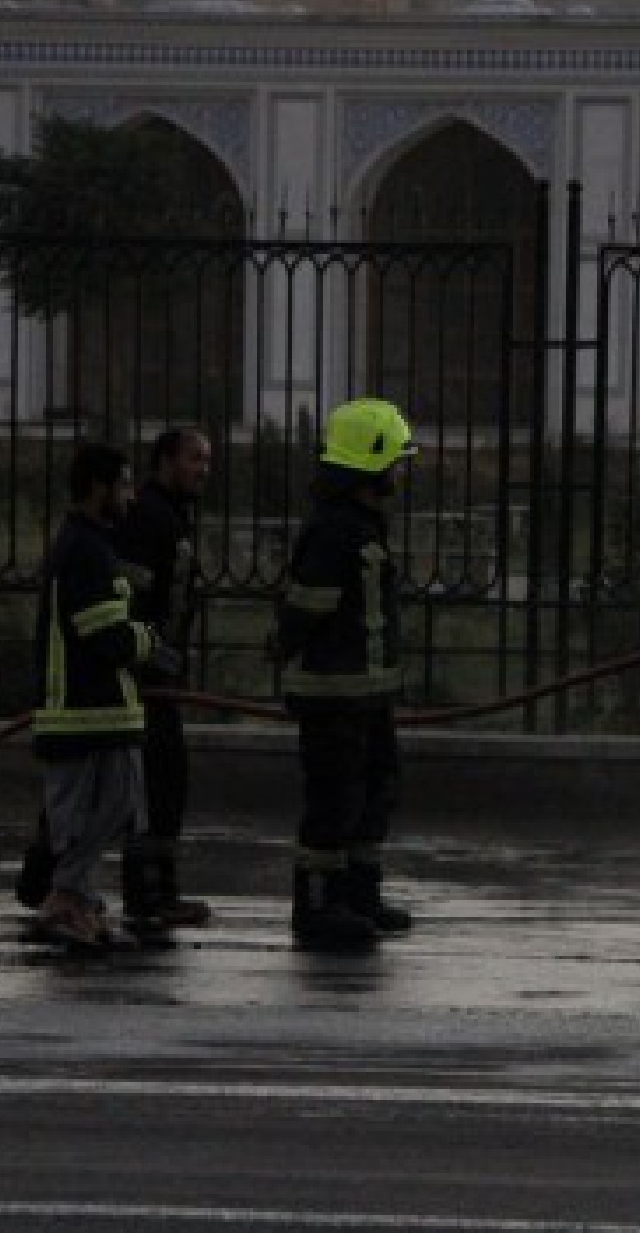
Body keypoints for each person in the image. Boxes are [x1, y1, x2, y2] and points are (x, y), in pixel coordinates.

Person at [271, 398, 417, 952]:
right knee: (334, 800)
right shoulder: (334, 531)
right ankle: (316, 905)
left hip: (367, 694)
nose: (400, 472)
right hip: (332, 695)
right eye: (395, 461)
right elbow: (306, 610)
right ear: (371, 463)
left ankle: (358, 894)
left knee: (375, 792)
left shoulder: (360, 525)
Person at [28, 443, 178, 949]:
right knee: (83, 815)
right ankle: (66, 902)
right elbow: (106, 635)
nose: (131, 497)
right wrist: (150, 643)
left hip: (103, 711)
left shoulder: (92, 545)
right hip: (81, 710)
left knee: (115, 807)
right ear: (99, 487)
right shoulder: (86, 551)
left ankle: (77, 899)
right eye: (125, 485)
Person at [111, 426, 215, 930]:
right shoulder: (149, 518)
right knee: (153, 785)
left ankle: (160, 889)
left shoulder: (172, 516)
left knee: (166, 780)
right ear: (166, 461)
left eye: (207, 461)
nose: (203, 470)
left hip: (160, 671)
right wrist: (149, 656)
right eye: (195, 459)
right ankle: (149, 893)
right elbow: (132, 598)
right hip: (144, 675)